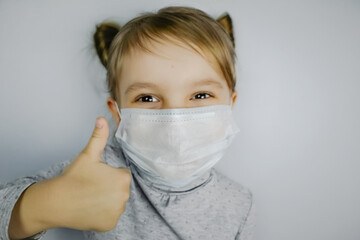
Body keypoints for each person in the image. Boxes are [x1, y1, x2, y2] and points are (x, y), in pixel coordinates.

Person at [0, 6, 255, 240]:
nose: (175, 119)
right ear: (118, 112)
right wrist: (45, 204)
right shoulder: (96, 173)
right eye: (147, 98)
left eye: (200, 95)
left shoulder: (240, 204)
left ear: (230, 104)